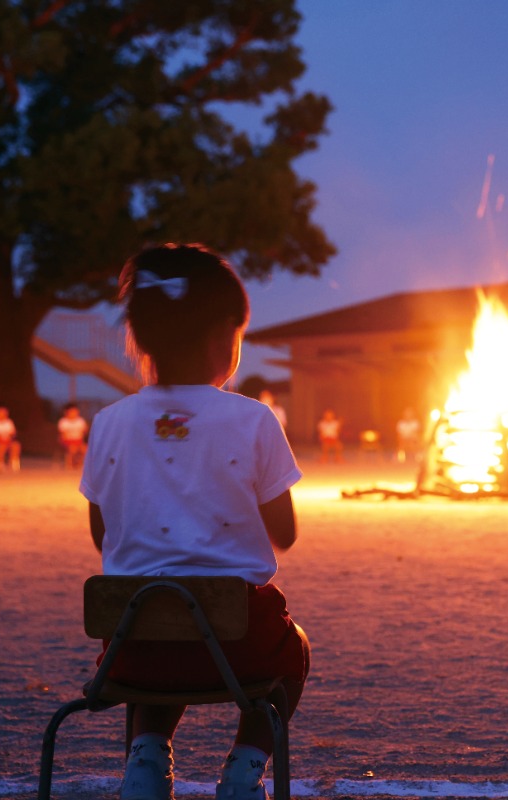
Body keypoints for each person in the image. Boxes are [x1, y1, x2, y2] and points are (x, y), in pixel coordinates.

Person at [79, 244, 308, 800]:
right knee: (293, 649)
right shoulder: (253, 419)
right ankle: (244, 770)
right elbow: (285, 533)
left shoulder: (108, 423)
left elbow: (101, 535)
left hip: (131, 652)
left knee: (161, 617)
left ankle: (146, 761)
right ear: (221, 336)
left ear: (143, 338)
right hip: (241, 647)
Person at [57, 403, 89, 469]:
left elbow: (85, 432)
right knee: (73, 448)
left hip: (79, 441)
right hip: (67, 441)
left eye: (75, 411)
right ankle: (70, 465)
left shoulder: (80, 421)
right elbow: (63, 435)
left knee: (85, 449)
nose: (74, 413)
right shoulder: (63, 421)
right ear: (67, 412)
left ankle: (80, 464)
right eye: (72, 412)